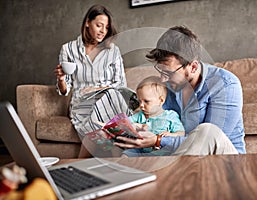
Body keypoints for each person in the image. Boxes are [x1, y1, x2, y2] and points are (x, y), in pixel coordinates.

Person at [114, 25, 246, 156]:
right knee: (124, 155)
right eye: (160, 71)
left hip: (223, 162)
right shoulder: (171, 87)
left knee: (208, 131)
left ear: (193, 67)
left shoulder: (225, 84)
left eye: (168, 73)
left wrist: (158, 140)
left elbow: (207, 143)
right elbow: (156, 123)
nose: (163, 79)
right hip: (181, 159)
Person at [54, 4, 130, 139]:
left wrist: (97, 89)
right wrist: (61, 79)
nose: (103, 31)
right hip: (82, 103)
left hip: (109, 100)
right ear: (88, 23)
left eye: (106, 28)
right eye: (99, 25)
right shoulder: (68, 49)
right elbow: (65, 90)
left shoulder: (113, 51)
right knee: (114, 127)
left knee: (113, 99)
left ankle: (103, 138)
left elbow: (120, 84)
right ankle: (113, 136)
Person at [123, 76, 185, 157]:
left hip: (162, 153)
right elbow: (125, 122)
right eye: (139, 101)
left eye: (146, 101)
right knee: (126, 154)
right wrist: (136, 126)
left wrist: (171, 134)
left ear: (161, 100)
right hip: (141, 150)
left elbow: (182, 133)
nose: (141, 105)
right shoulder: (140, 115)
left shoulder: (170, 116)